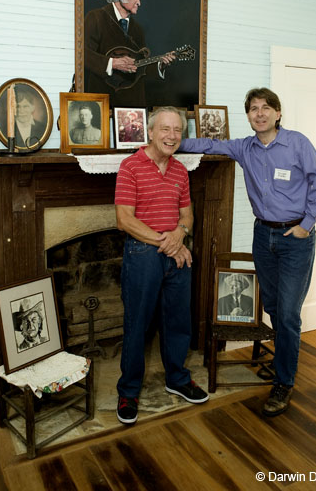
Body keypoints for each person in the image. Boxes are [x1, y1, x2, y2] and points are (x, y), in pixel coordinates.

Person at [179, 87, 316, 417]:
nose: (259, 113)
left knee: (289, 315)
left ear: (278, 113)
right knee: (276, 308)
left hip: (295, 239)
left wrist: (306, 224)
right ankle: (283, 365)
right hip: (263, 236)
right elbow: (208, 144)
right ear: (247, 115)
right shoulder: (244, 148)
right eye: (253, 109)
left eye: (266, 108)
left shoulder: (298, 143)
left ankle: (284, 382)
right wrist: (169, 142)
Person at [114, 106, 209, 425]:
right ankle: (128, 391)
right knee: (137, 325)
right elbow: (124, 220)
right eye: (165, 129)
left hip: (176, 253)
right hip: (143, 255)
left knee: (179, 321)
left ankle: (178, 379)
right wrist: (166, 242)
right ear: (151, 132)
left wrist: (179, 235)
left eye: (177, 131)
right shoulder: (130, 166)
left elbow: (187, 216)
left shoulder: (181, 170)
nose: (171, 136)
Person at [84, 0, 175, 107]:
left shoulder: (137, 30)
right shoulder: (95, 18)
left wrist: (159, 65)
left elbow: (139, 68)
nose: (139, 2)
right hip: (103, 105)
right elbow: (82, 55)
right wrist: (112, 63)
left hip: (132, 108)